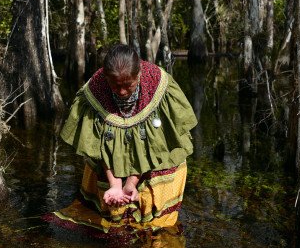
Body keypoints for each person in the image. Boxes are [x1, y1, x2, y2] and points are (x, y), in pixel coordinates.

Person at [49, 44, 197, 234]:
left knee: (156, 231)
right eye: (116, 85)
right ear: (106, 77)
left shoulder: (156, 84)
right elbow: (98, 146)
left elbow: (153, 146)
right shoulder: (96, 90)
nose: (122, 92)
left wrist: (130, 184)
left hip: (157, 155)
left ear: (139, 74)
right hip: (112, 155)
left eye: (128, 85)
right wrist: (116, 185)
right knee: (114, 225)